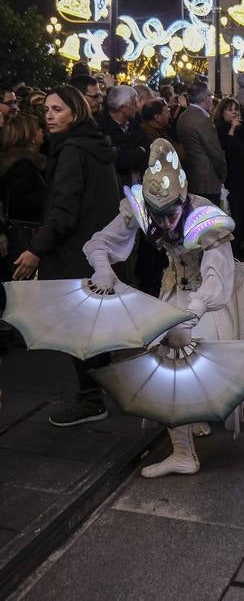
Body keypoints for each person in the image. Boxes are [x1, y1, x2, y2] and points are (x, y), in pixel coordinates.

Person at [83, 138, 244, 477]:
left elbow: (215, 277)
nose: (163, 224)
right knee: (167, 364)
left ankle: (188, 438)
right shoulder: (141, 207)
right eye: (155, 215)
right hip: (175, 288)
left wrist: (190, 316)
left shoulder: (206, 216)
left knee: (193, 363)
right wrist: (102, 266)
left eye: (171, 214)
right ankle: (183, 450)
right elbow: (101, 241)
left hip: (213, 298)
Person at [12, 85, 120, 426]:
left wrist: (35, 249)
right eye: (47, 109)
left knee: (79, 329)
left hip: (75, 252)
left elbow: (64, 209)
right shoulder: (94, 145)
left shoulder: (73, 149)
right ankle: (103, 390)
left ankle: (90, 399)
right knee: (95, 327)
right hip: (97, 250)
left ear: (75, 113)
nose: (49, 115)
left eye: (57, 110)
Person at [0, 114, 45, 282]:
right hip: (23, 237)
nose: (43, 132)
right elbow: (23, 201)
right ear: (30, 136)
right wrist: (50, 196)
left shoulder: (15, 162)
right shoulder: (23, 165)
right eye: (39, 129)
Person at [214, 98, 244, 254]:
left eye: (236, 108)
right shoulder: (220, 129)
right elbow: (226, 152)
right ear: (222, 113)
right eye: (229, 109)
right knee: (235, 214)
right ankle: (232, 251)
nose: (234, 112)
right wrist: (232, 130)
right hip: (232, 179)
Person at [176, 82, 226, 204]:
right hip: (207, 182)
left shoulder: (183, 117)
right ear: (204, 98)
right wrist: (223, 174)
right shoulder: (203, 119)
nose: (212, 99)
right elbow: (215, 152)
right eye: (211, 95)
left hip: (190, 179)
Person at [99, 85, 149, 189]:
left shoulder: (135, 122)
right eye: (134, 104)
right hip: (117, 188)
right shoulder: (101, 127)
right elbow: (115, 160)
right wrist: (138, 152)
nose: (137, 107)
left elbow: (147, 148)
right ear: (122, 107)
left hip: (139, 185)